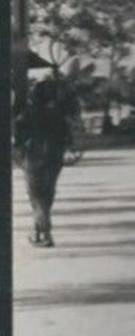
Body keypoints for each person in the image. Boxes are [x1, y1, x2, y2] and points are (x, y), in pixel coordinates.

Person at [16, 79, 73, 247]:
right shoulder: (57, 115)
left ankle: (45, 232)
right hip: (54, 156)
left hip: (33, 154)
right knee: (47, 194)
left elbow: (18, 137)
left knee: (35, 195)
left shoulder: (26, 113)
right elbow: (67, 138)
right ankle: (38, 230)